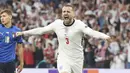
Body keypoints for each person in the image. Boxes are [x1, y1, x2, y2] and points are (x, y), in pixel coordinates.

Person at [16, 4, 111, 73]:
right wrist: (24, 33)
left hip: (77, 59)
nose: (65, 13)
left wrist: (105, 36)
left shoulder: (79, 25)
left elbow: (91, 32)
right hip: (63, 58)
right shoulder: (57, 24)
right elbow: (41, 30)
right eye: (64, 11)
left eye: (68, 12)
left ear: (73, 14)